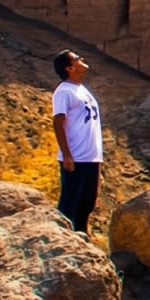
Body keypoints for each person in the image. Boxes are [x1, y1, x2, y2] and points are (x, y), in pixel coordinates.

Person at [50, 49, 103, 235]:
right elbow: (58, 121)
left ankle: (83, 241)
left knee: (87, 204)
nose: (82, 59)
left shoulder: (81, 89)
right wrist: (66, 154)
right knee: (69, 205)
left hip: (91, 157)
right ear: (69, 67)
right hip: (75, 158)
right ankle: (63, 242)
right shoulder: (63, 91)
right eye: (77, 59)